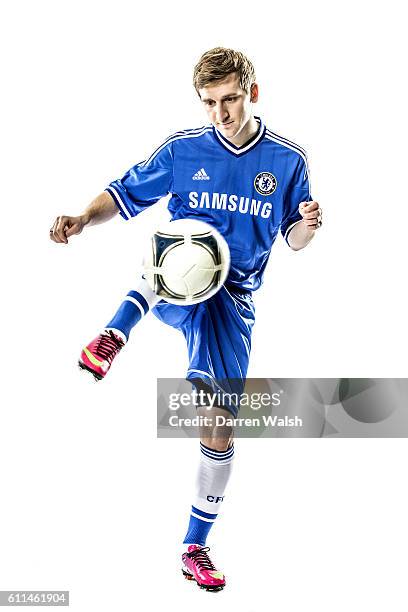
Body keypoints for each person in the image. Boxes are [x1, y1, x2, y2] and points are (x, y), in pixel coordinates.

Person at [50, 47, 322, 591]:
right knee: (182, 250)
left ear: (253, 93)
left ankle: (193, 546)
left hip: (234, 297)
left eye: (231, 100)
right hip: (180, 271)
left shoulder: (288, 161)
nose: (221, 113)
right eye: (210, 103)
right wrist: (83, 217)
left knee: (219, 422)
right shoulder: (184, 151)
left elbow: (293, 238)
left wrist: (309, 227)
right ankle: (112, 334)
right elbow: (124, 193)